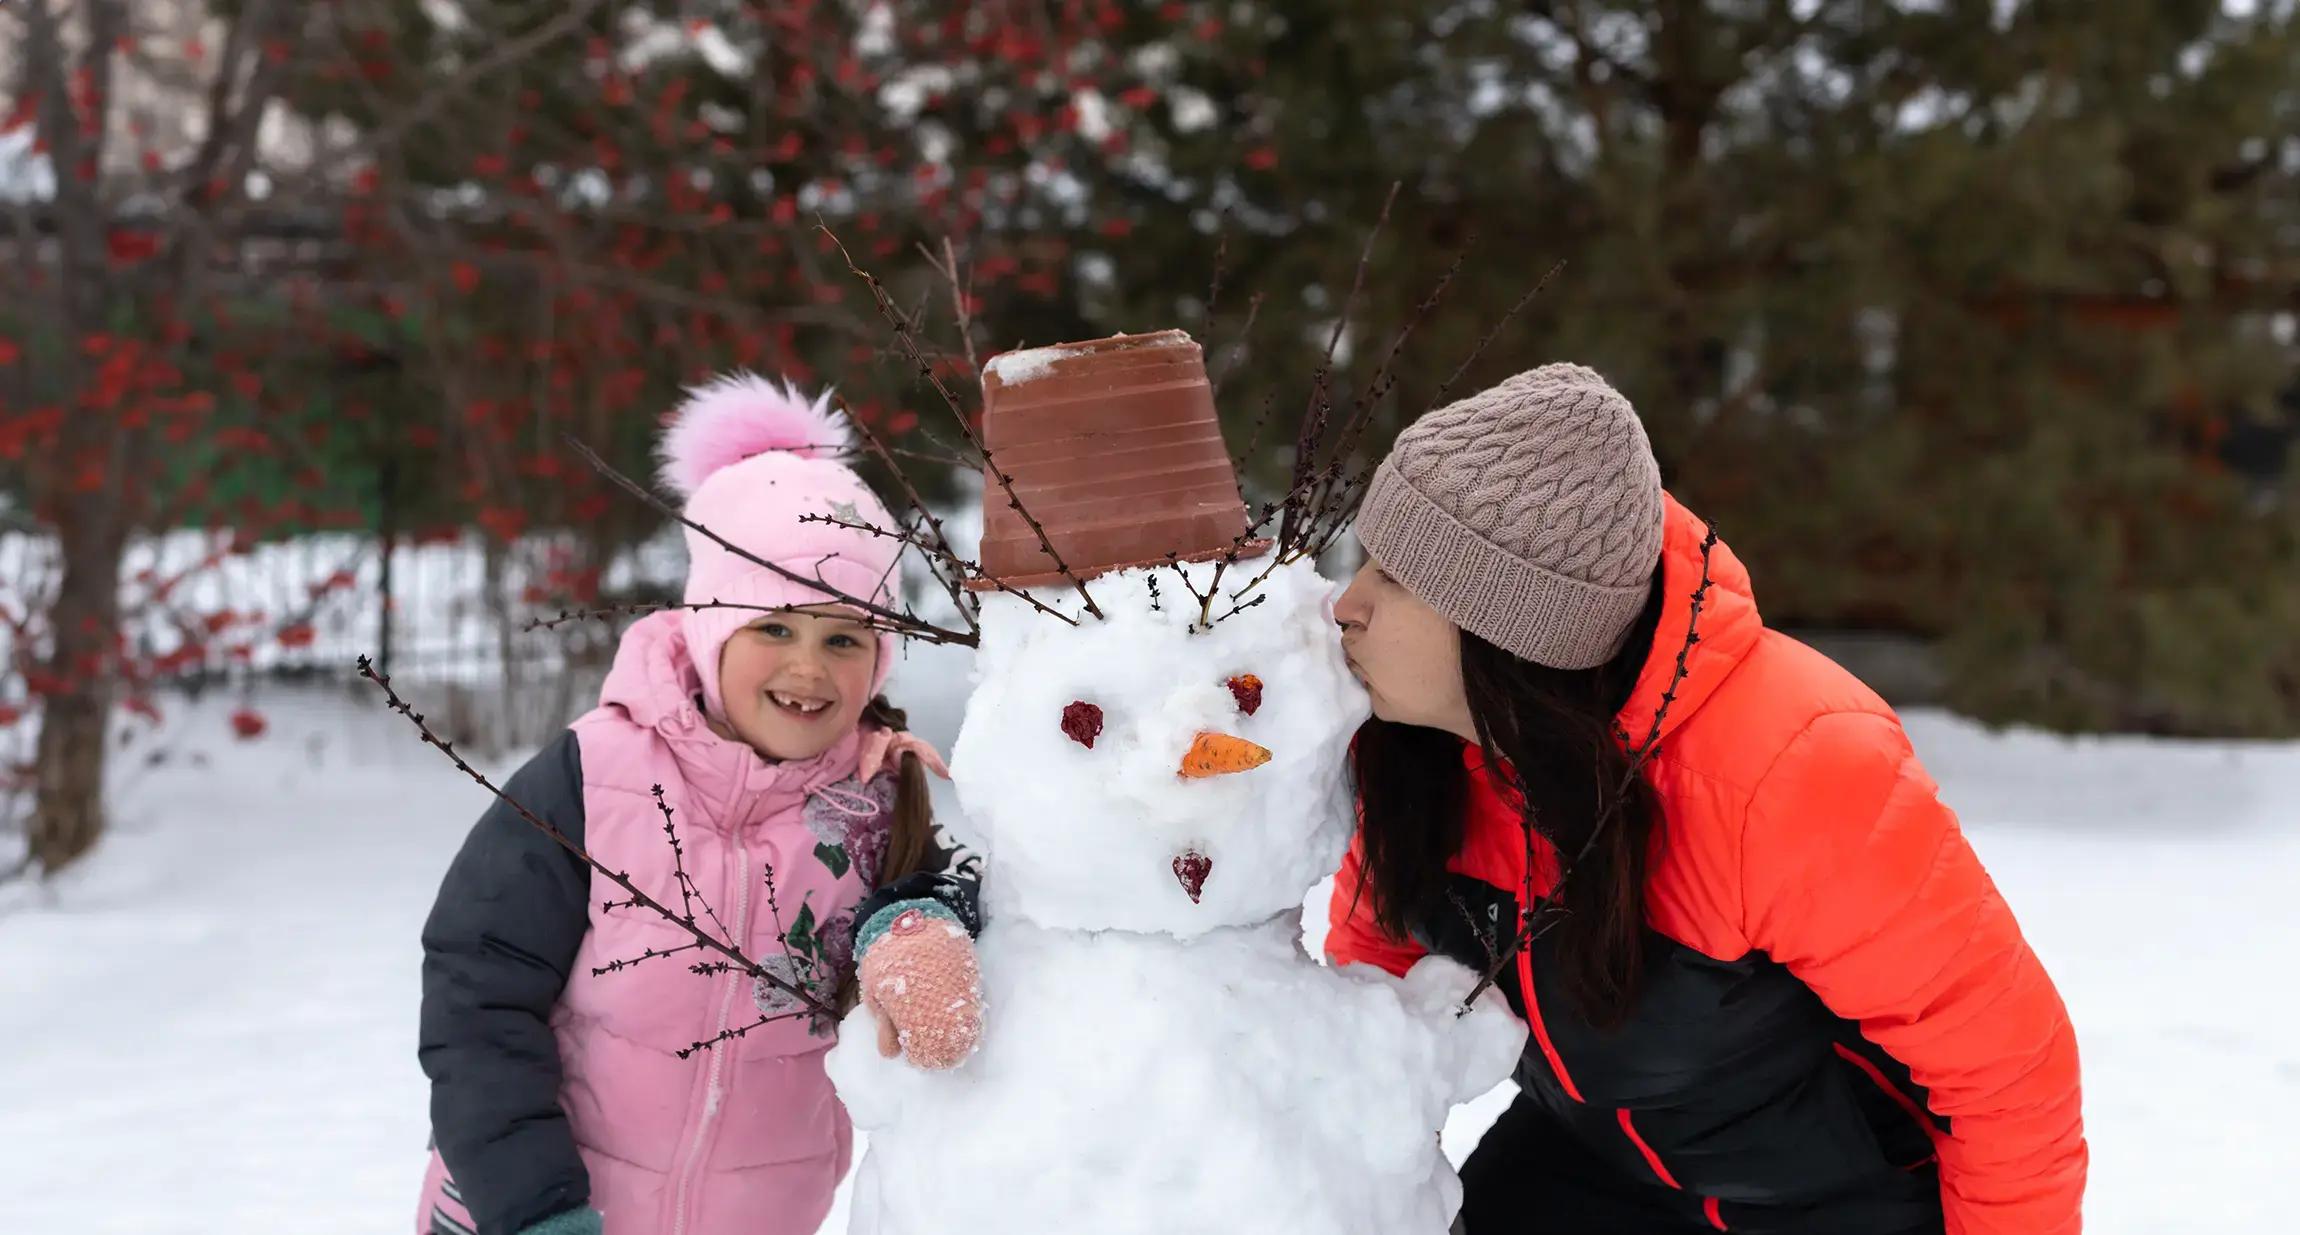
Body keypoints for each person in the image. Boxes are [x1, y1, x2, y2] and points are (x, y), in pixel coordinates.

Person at [1326, 363, 2085, 1235]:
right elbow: (1371, 993)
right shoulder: (1421, 752)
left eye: (1397, 578)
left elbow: (2007, 1078)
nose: (1347, 605)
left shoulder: (1793, 771)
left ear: (1510, 630)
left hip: (1833, 1205)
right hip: (1593, 1166)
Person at [413, 375, 982, 1235]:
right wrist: (534, 1207)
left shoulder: (873, 799)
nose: (808, 668)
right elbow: (480, 993)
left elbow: (935, 891)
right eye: (775, 627)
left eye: (843, 637)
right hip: (537, 1211)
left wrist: (918, 926)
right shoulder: (594, 776)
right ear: (713, 627)